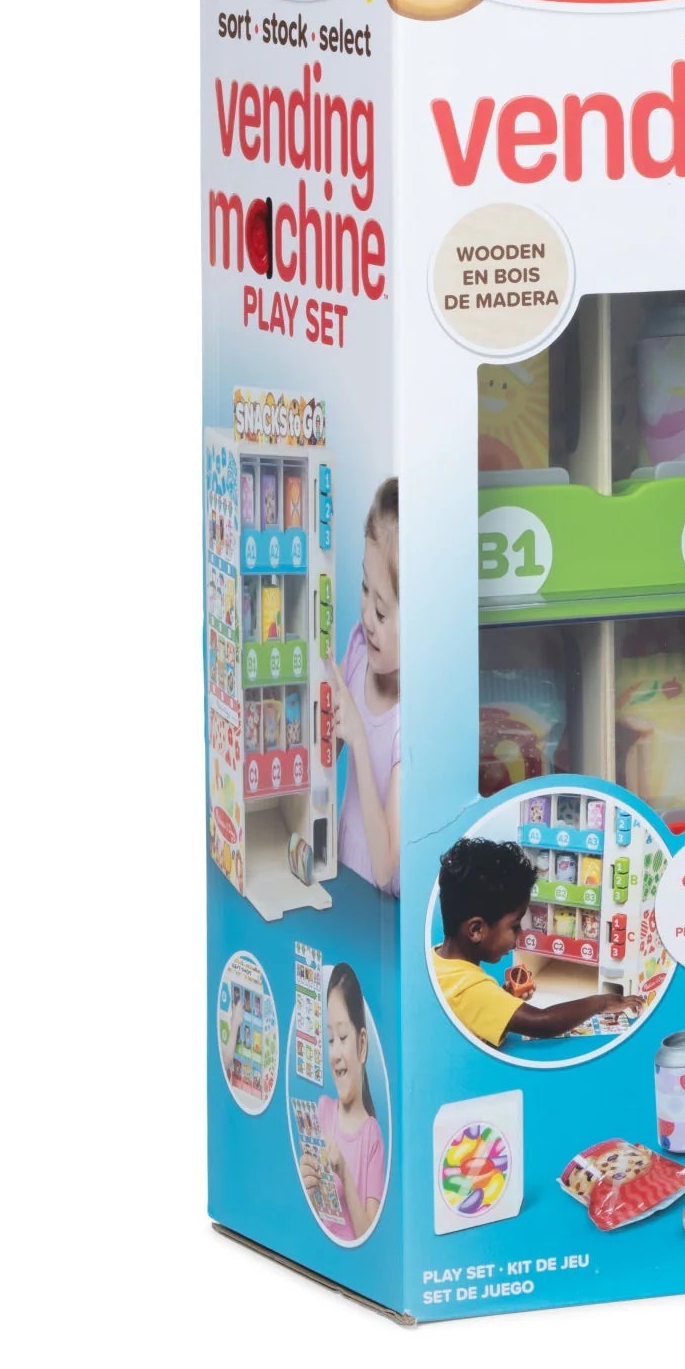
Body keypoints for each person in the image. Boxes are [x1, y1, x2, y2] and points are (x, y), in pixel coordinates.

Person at [432, 837, 641, 1045]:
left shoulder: (437, 959)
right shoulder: (470, 988)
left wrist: (503, 1001)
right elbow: (542, 1022)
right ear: (476, 930)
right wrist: (601, 1002)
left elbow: (474, 1013)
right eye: (515, 926)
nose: (520, 934)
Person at [334, 478, 400, 893]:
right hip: (343, 877)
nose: (366, 618)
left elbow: (386, 870)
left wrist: (357, 738)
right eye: (363, 588)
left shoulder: (408, 725)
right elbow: (325, 753)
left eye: (381, 610)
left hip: (382, 908)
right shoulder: (358, 648)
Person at [300, 964, 385, 1243]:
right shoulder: (322, 1110)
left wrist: (345, 1175)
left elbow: (368, 1234)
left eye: (343, 1038)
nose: (335, 1052)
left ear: (362, 1044)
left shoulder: (371, 1135)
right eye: (330, 1039)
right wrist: (306, 1186)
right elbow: (311, 1215)